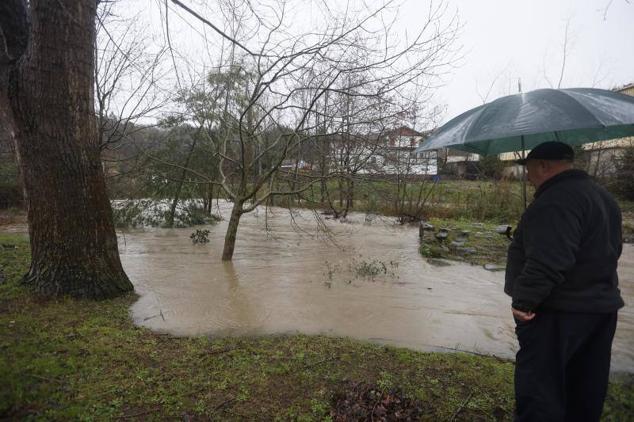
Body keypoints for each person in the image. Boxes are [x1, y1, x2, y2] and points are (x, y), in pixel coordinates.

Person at [505, 141, 624, 422]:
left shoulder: (555, 201)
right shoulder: (603, 197)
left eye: (530, 169)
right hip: (600, 311)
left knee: (541, 391)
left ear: (544, 166)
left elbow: (549, 260)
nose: (529, 177)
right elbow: (610, 250)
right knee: (584, 390)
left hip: (558, 313)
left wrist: (523, 302)